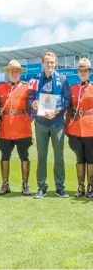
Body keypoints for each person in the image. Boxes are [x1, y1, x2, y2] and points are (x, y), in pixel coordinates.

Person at [28, 51, 71, 199]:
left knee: (59, 157)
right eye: (47, 62)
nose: (50, 64)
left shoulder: (63, 79)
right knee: (42, 156)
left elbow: (67, 100)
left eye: (52, 62)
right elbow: (30, 98)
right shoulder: (35, 79)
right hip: (41, 123)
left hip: (57, 123)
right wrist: (33, 104)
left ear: (55, 63)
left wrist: (57, 111)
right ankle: (42, 187)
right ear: (43, 63)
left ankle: (60, 188)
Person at [0, 60, 32, 196]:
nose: (14, 73)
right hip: (5, 127)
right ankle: (5, 184)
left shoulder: (28, 88)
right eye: (12, 71)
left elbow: (33, 106)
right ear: (8, 72)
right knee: (5, 156)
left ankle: (25, 184)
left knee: (24, 156)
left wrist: (30, 118)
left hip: (23, 127)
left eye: (17, 71)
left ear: (20, 73)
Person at [65, 58, 93, 198]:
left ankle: (90, 187)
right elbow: (69, 108)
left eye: (86, 70)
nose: (83, 72)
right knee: (79, 158)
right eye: (81, 70)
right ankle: (80, 186)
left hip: (90, 128)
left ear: (89, 71)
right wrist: (66, 127)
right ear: (78, 72)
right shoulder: (73, 88)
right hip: (75, 128)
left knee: (91, 158)